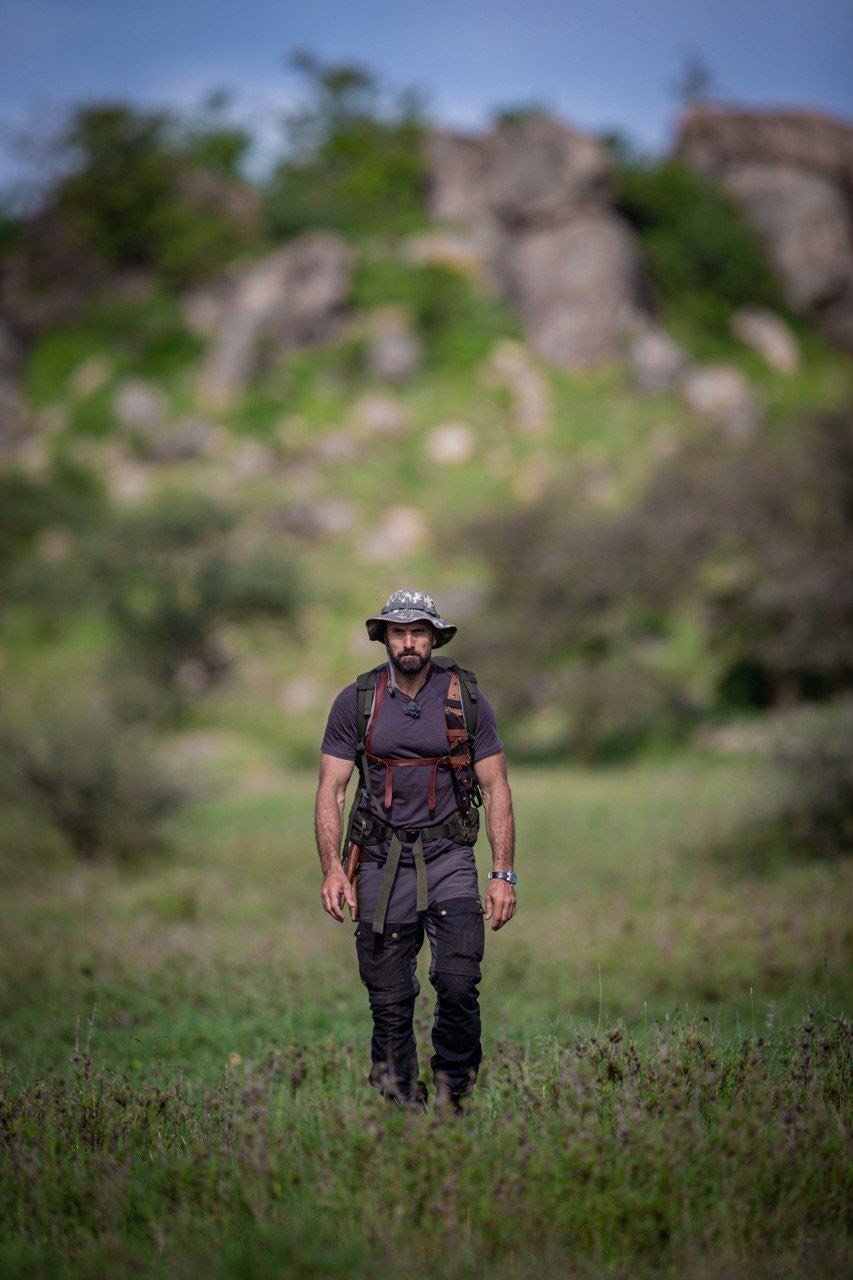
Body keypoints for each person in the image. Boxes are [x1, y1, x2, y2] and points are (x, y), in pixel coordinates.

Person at [315, 589, 517, 1112]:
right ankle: (404, 1103)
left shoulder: (466, 699)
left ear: (434, 638)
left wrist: (502, 874)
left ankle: (455, 1093)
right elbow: (331, 789)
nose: (409, 641)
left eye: (419, 632)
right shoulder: (356, 701)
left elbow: (495, 787)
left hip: (450, 857)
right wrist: (334, 868)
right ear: (384, 637)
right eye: (399, 631)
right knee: (388, 998)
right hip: (380, 862)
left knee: (457, 980)